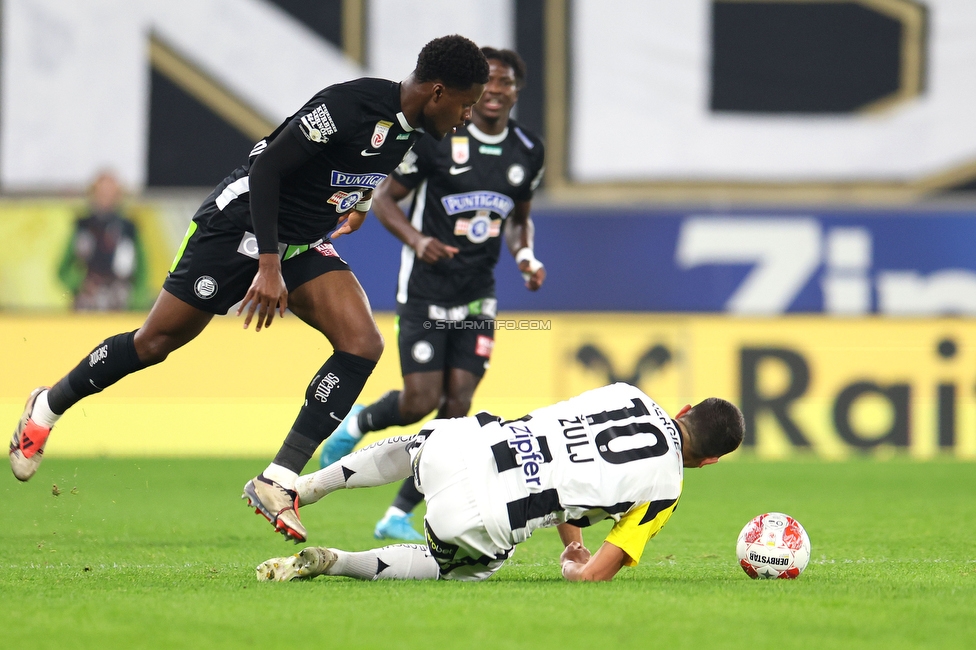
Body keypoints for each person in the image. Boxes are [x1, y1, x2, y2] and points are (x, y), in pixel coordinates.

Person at [9, 36, 490, 545]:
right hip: (236, 227)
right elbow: (267, 169)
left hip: (301, 241)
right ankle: (47, 405)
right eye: (467, 103)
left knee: (362, 343)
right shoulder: (348, 105)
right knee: (155, 342)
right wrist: (267, 263)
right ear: (438, 92)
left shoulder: (410, 130)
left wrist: (358, 204)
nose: (467, 116)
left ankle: (277, 480)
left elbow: (363, 166)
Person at [318, 47, 546, 542]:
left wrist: (525, 257)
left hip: (477, 293)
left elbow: (518, 221)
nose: (498, 91)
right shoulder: (441, 139)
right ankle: (358, 424)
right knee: (421, 399)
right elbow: (385, 201)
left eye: (508, 82)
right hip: (424, 288)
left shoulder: (528, 150)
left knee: (458, 406)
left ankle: (397, 514)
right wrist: (420, 242)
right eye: (491, 82)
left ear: (515, 92)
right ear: (478, 90)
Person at [256, 383, 744, 582]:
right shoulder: (666, 489)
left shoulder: (626, 393)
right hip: (481, 518)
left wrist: (574, 538)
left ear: (684, 410)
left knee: (419, 445)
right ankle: (336, 563)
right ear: (709, 462)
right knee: (450, 567)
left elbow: (567, 448)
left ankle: (303, 487)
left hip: (469, 447)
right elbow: (596, 573)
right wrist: (575, 563)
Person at [58, 171, 148, 311]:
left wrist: (136, 301)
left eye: (111, 195)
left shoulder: (128, 228)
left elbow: (143, 270)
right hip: (88, 298)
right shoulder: (83, 227)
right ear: (93, 195)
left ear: (118, 196)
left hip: (120, 296)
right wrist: (78, 284)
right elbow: (62, 269)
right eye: (101, 194)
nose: (106, 200)